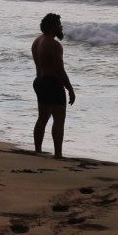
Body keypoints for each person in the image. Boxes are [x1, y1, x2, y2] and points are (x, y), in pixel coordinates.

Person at [31, 12, 76, 159]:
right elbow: (59, 70)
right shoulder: (54, 45)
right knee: (59, 119)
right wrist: (70, 88)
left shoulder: (37, 41)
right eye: (59, 25)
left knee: (42, 118)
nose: (61, 27)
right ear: (52, 27)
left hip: (40, 82)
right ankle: (58, 154)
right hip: (52, 83)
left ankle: (38, 150)